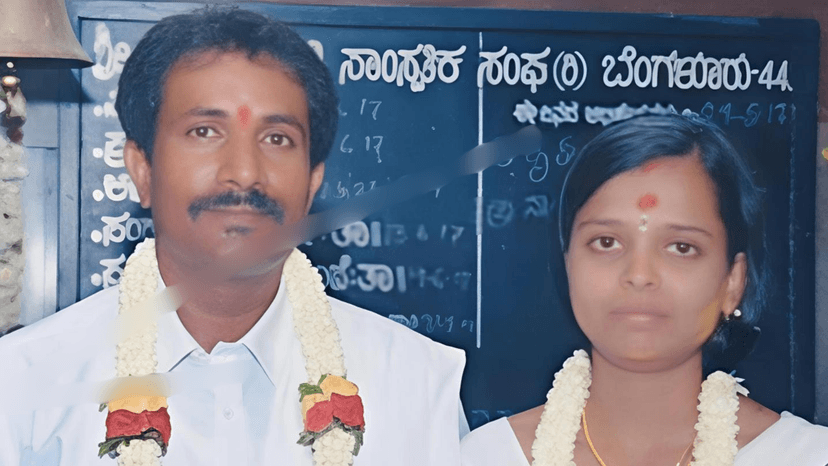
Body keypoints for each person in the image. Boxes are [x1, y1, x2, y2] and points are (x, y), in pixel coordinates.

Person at [0, 8, 467, 466]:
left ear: (312, 184)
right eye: (205, 131)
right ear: (142, 170)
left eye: (277, 138)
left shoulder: (417, 385)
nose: (244, 173)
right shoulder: (24, 385)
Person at [460, 114, 828, 466]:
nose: (639, 275)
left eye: (681, 247)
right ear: (568, 264)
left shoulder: (806, 457)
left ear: (733, 282)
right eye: (606, 242)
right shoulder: (484, 458)